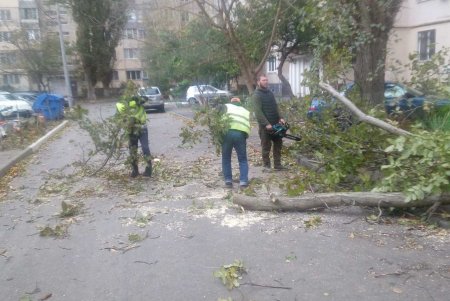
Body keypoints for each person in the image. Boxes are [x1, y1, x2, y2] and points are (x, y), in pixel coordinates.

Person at [252, 74, 286, 170]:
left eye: (266, 80)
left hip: (276, 124)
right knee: (266, 147)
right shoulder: (256, 95)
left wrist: (281, 117)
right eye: (263, 80)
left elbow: (276, 107)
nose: (266, 82)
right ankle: (267, 166)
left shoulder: (270, 93)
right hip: (265, 127)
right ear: (258, 82)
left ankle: (277, 165)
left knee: (278, 145)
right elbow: (258, 112)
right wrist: (266, 124)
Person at [116, 95, 152, 178]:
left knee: (145, 148)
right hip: (131, 130)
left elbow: (145, 99)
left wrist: (136, 100)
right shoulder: (120, 105)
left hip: (142, 128)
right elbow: (119, 118)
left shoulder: (138, 100)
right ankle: (135, 170)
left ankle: (148, 170)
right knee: (133, 150)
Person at [221, 97, 251, 188]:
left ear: (231, 102)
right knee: (242, 159)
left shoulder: (225, 106)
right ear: (240, 103)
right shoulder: (246, 111)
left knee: (226, 158)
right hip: (240, 134)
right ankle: (243, 182)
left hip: (227, 133)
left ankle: (228, 181)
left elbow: (219, 121)